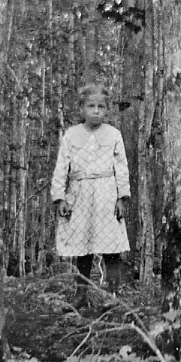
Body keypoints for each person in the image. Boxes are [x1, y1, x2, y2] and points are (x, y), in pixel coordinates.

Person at [51, 84, 132, 295]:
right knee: (82, 248)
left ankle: (114, 294)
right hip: (80, 196)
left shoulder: (114, 135)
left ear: (107, 110)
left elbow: (121, 168)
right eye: (91, 106)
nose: (96, 111)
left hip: (107, 196)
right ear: (82, 109)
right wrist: (60, 198)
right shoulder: (71, 135)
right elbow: (61, 167)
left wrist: (121, 197)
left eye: (101, 107)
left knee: (111, 248)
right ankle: (81, 294)